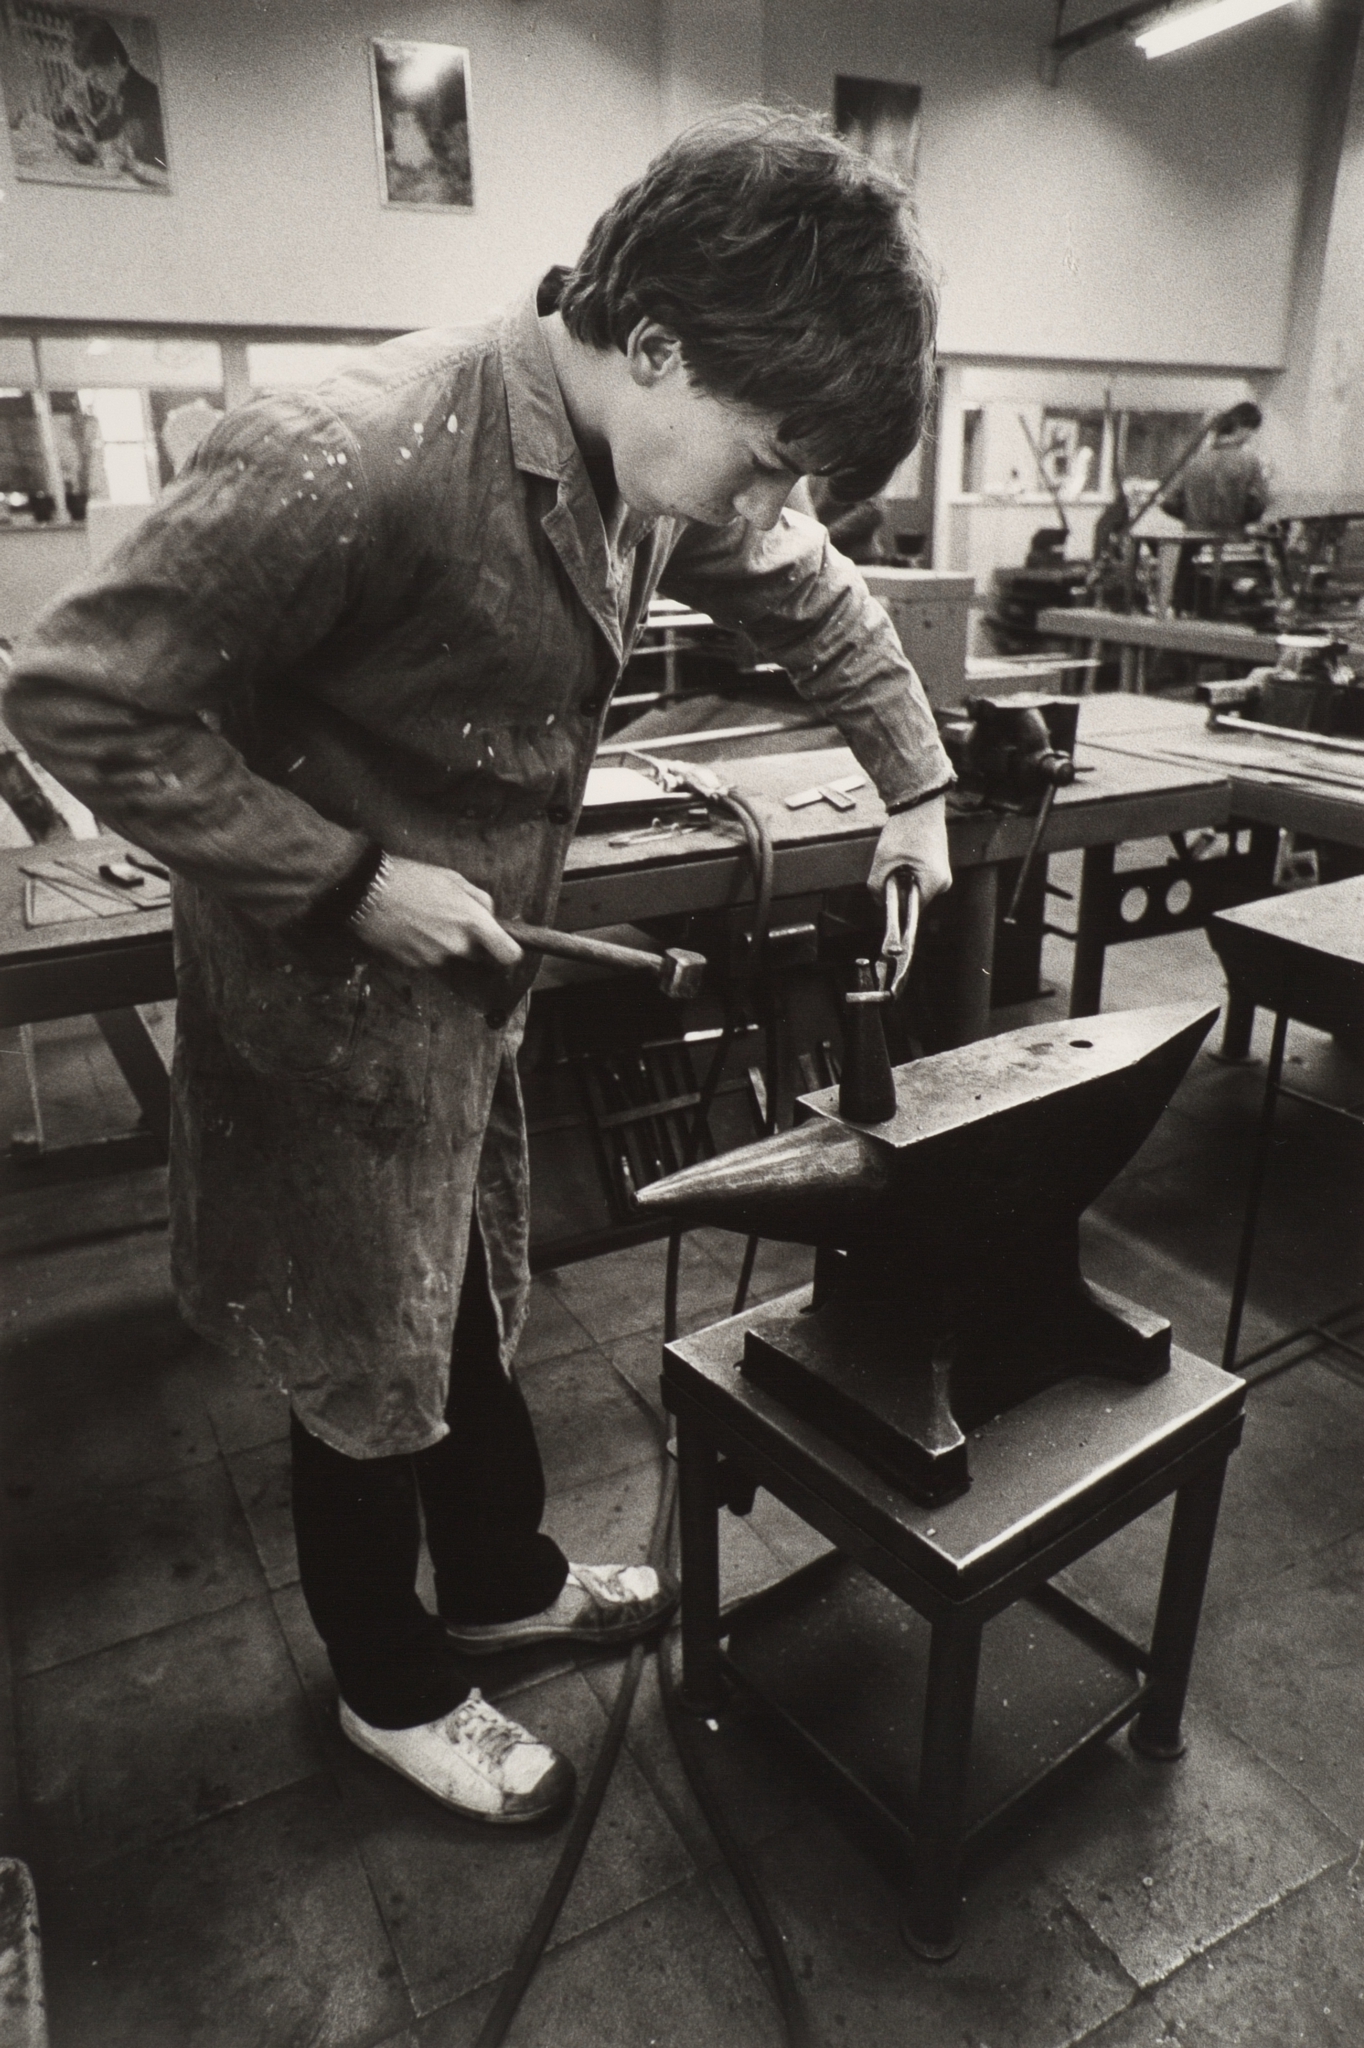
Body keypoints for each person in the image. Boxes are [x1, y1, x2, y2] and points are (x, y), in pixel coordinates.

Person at [4, 109, 953, 1827]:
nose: (769, 505)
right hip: (317, 1010)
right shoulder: (347, 453)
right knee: (363, 1358)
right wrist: (350, 880)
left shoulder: (649, 460)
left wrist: (918, 789)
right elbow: (78, 698)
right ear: (654, 343)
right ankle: (388, 1683)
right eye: (766, 458)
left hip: (462, 1005)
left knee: (457, 1304)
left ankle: (502, 1580)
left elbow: (812, 593)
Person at [1160, 401, 1268, 536]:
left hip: (1194, 540)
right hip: (1231, 540)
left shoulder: (1194, 460)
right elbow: (1259, 504)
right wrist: (1236, 518)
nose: (1251, 437)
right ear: (1243, 428)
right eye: (1253, 431)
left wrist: (1193, 518)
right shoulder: (1249, 462)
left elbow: (1169, 502)